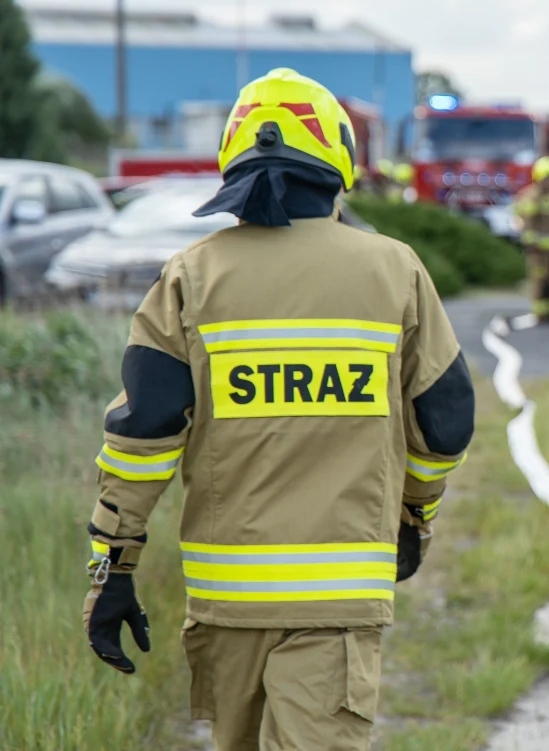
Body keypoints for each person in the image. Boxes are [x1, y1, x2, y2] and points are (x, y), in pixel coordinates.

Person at [80, 68, 475, 750]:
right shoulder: (396, 271)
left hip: (226, 602)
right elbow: (445, 424)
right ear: (338, 161)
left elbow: (143, 435)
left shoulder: (192, 276)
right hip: (338, 605)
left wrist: (111, 567)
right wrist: (415, 514)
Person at [514, 156, 549, 322]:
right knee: (540, 282)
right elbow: (526, 224)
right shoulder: (530, 197)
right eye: (548, 179)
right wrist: (530, 244)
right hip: (538, 251)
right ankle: (540, 313)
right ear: (539, 178)